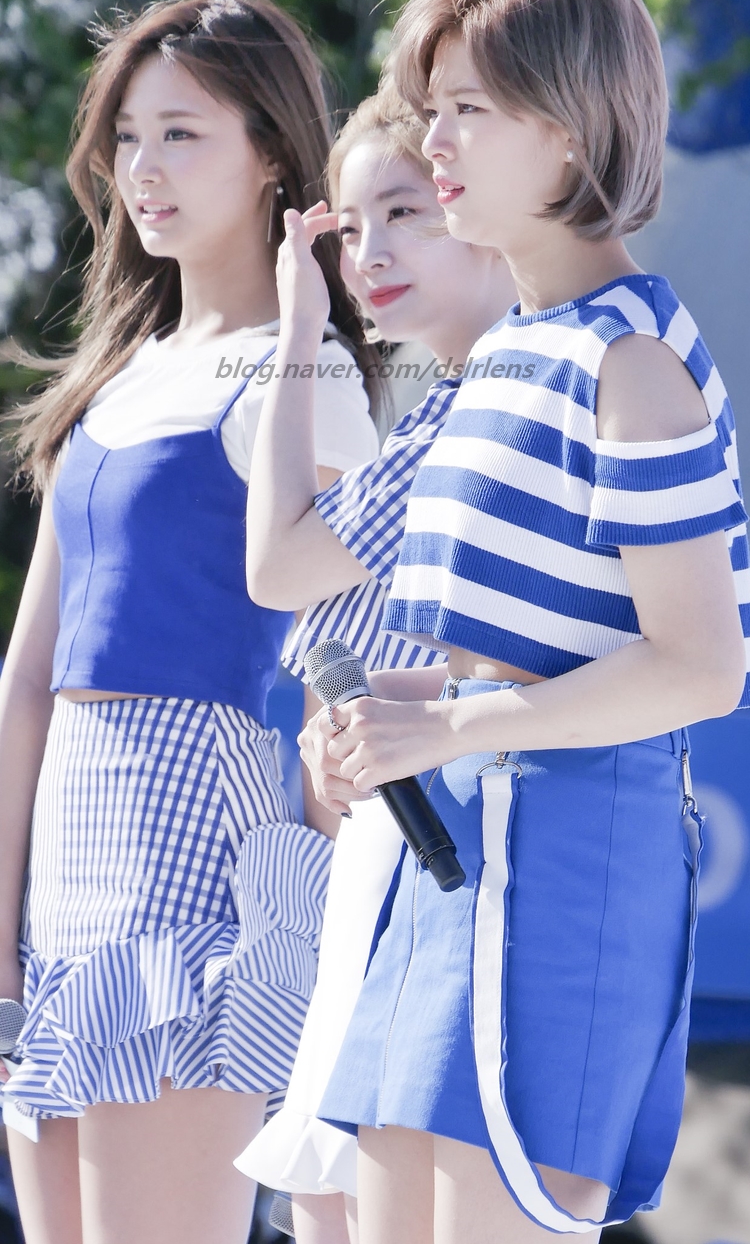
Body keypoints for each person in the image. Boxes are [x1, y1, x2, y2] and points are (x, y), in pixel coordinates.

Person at [245, 0, 749, 1244]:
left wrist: (445, 724)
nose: (437, 142)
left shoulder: (633, 360)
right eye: (434, 108)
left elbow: (701, 665)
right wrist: (389, 712)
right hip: (447, 858)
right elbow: (513, 652)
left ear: (569, 125)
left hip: (570, 867)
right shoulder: (511, 357)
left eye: (467, 108)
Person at [0, 0, 382, 1244]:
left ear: (271, 152)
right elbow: (27, 678)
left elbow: (353, 653)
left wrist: (315, 907)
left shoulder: (306, 370)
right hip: (64, 854)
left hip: (199, 836)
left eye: (180, 133)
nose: (142, 170)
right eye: (126, 138)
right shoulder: (116, 371)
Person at [236, 85, 517, 1244]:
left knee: (350, 1195)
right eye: (350, 230)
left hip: (442, 846)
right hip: (402, 842)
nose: (370, 254)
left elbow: (275, 565)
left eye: (406, 210)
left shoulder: (486, 400)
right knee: (334, 1193)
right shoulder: (447, 408)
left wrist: (300, 335)